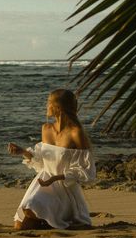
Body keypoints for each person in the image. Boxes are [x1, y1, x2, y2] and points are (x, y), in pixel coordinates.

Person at [7, 89, 96, 230]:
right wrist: (23, 152)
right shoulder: (46, 128)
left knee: (30, 209)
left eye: (49, 102)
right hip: (42, 184)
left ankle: (55, 218)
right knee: (19, 224)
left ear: (58, 108)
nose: (46, 106)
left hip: (64, 189)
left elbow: (87, 171)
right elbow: (42, 162)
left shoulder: (76, 132)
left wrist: (55, 178)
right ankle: (49, 220)